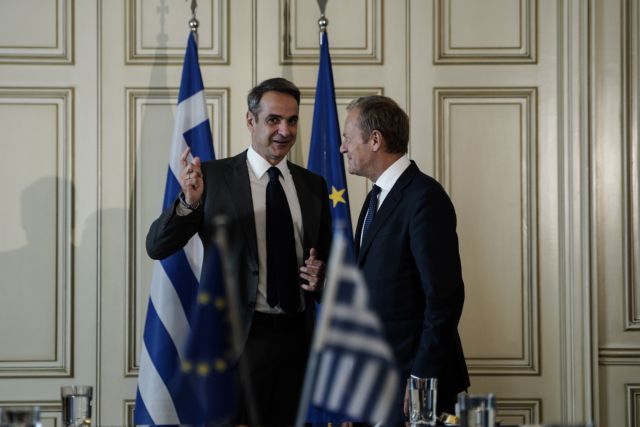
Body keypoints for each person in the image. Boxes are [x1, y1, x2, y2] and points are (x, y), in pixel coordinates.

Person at [146, 77, 332, 426]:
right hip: (234, 347)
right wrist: (188, 203)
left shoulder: (313, 186)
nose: (284, 131)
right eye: (274, 120)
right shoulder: (212, 178)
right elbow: (158, 246)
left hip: (297, 344)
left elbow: (327, 263)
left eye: (292, 120)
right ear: (251, 120)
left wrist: (322, 277)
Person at [340, 95, 470, 423]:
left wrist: (421, 379)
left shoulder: (424, 198)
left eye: (347, 138)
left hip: (413, 383)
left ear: (375, 140)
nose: (342, 148)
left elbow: (444, 297)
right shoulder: (375, 198)